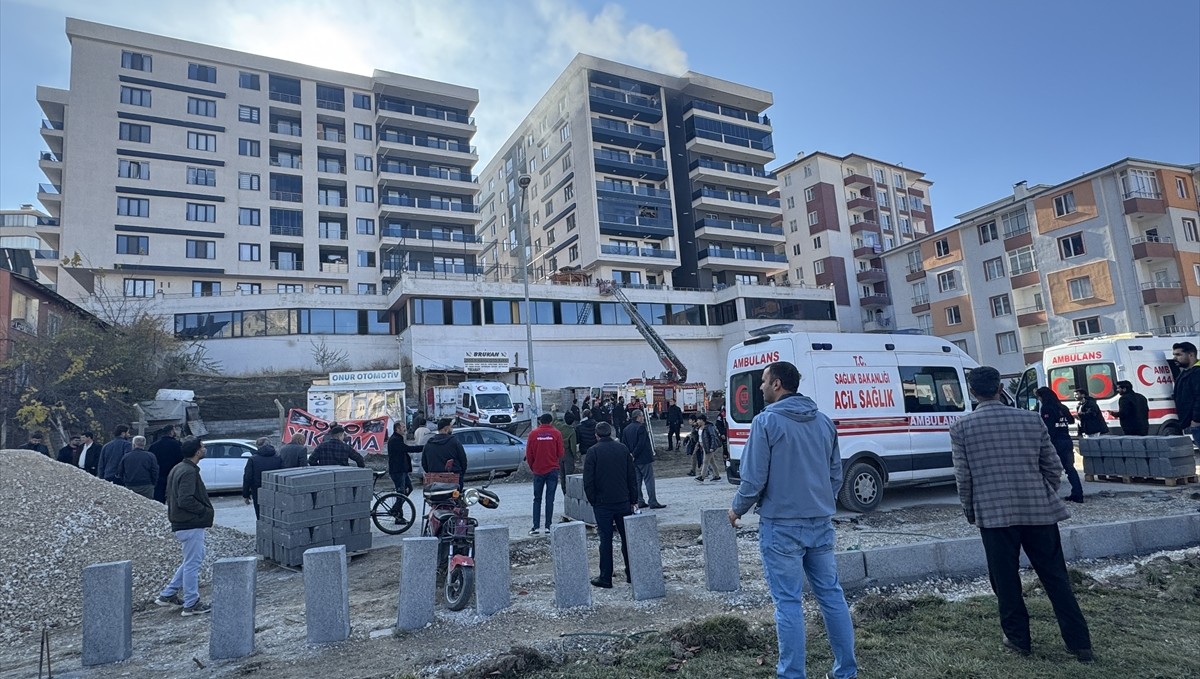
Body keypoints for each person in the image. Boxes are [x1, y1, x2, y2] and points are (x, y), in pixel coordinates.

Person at [951, 367, 1093, 662]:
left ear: (973, 391)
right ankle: (1079, 643)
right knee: (1056, 578)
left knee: (1004, 579)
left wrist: (970, 508)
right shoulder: (1030, 419)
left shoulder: (962, 427)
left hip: (993, 515)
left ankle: (1018, 639)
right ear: (1000, 388)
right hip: (1039, 512)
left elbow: (964, 478)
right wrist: (1043, 492)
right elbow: (1053, 467)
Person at [729, 361, 857, 679]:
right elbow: (835, 474)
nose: (759, 387)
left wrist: (736, 510)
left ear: (777, 385)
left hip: (781, 524)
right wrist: (820, 502)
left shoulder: (765, 422)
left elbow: (753, 478)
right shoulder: (825, 422)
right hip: (820, 520)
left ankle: (792, 674)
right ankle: (846, 671)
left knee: (787, 601)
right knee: (831, 594)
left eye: (763, 381)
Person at [155, 437, 214, 616]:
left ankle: (168, 593)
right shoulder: (189, 471)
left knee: (194, 558)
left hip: (182, 522)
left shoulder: (179, 467)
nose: (204, 449)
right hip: (190, 523)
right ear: (197, 452)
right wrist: (203, 511)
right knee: (192, 564)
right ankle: (191, 603)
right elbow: (185, 499)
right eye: (203, 447)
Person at [583, 421, 638, 588]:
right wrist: (633, 499)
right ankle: (632, 574)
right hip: (623, 501)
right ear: (611, 433)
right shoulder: (622, 449)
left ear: (596, 435)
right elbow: (631, 477)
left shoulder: (593, 452)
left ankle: (605, 577)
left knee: (605, 540)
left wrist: (593, 500)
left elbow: (588, 480)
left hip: (602, 503)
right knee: (626, 538)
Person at [1036, 388, 1083, 503]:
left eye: (1039, 397)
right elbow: (1071, 420)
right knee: (1070, 468)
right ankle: (1078, 493)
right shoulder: (1062, 407)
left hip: (1054, 441)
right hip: (1066, 439)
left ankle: (1050, 494)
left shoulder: (1047, 408)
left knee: (1049, 468)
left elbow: (1047, 427)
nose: (1039, 400)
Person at [526, 413, 564, 535]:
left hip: (538, 470)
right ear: (551, 422)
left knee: (537, 499)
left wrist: (533, 467)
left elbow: (529, 454)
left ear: (540, 422)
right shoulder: (556, 433)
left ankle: (535, 527)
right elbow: (561, 452)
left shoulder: (533, 434)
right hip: (552, 470)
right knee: (550, 499)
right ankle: (548, 526)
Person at [621, 409, 664, 509]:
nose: (644, 418)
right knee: (649, 480)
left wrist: (630, 455)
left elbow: (624, 444)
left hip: (633, 460)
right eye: (642, 416)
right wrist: (634, 454)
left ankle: (639, 500)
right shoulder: (641, 428)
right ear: (638, 417)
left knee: (637, 481)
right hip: (643, 459)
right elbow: (641, 443)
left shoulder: (626, 429)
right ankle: (652, 501)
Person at [242, 437, 283, 518]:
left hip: (258, 490)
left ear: (257, 446)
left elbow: (247, 477)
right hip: (275, 490)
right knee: (275, 514)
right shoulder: (278, 457)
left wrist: (246, 494)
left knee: (260, 515)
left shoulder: (253, 459)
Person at [420, 418, 468, 487]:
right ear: (446, 428)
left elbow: (424, 463)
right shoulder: (454, 442)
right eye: (451, 427)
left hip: (434, 480)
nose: (452, 429)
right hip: (454, 478)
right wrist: (460, 473)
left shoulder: (429, 443)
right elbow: (463, 459)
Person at [1171, 341, 1200, 445]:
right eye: (1174, 355)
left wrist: (1196, 420)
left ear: (1191, 355)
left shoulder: (1197, 372)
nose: (1174, 358)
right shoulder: (1186, 371)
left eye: (1178, 355)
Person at [150, 425, 184, 503]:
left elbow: (151, 461)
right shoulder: (178, 445)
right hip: (174, 475)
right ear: (172, 431)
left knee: (159, 501)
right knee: (174, 500)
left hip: (159, 476)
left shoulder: (154, 445)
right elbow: (182, 460)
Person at [386, 422, 419, 496]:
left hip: (402, 470)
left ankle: (397, 507)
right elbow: (407, 448)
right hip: (397, 471)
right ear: (397, 429)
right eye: (403, 427)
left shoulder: (398, 438)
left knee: (408, 489)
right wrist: (423, 447)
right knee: (401, 493)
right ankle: (397, 507)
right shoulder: (395, 440)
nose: (405, 429)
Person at [554, 410, 579, 495]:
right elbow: (573, 445)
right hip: (568, 454)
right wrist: (575, 455)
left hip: (559, 453)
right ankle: (569, 492)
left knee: (562, 475)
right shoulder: (571, 431)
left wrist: (553, 411)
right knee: (569, 474)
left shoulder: (558, 427)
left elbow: (554, 420)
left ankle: (564, 490)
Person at [695, 414, 724, 482]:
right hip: (704, 447)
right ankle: (717, 475)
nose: (697, 421)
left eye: (699, 420)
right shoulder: (699, 427)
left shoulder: (709, 427)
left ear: (702, 420)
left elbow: (713, 437)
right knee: (712, 462)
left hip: (709, 447)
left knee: (705, 461)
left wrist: (712, 447)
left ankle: (702, 476)